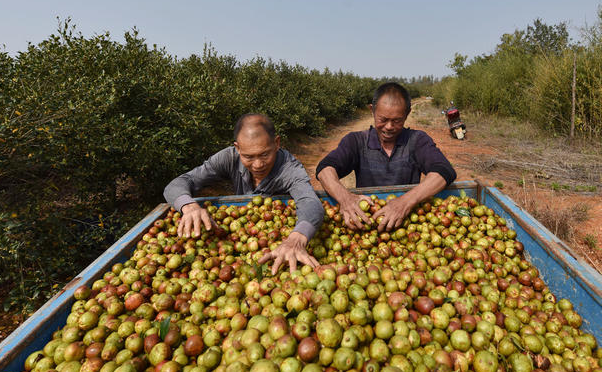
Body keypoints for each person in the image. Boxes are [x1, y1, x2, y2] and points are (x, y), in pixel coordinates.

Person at [164, 112, 324, 274]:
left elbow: (310, 203)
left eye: (264, 154)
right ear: (238, 148)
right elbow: (178, 183)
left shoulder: (289, 168)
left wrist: (297, 238)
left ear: (277, 143)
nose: (257, 164)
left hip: (276, 232)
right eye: (248, 157)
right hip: (243, 229)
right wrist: (189, 206)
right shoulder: (228, 158)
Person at [316, 82, 456, 232]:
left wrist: (404, 203)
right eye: (383, 119)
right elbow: (325, 169)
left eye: (397, 121)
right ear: (372, 110)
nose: (389, 126)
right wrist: (346, 199)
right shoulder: (356, 141)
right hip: (366, 222)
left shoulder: (417, 140)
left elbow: (444, 171)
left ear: (407, 113)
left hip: (405, 222)